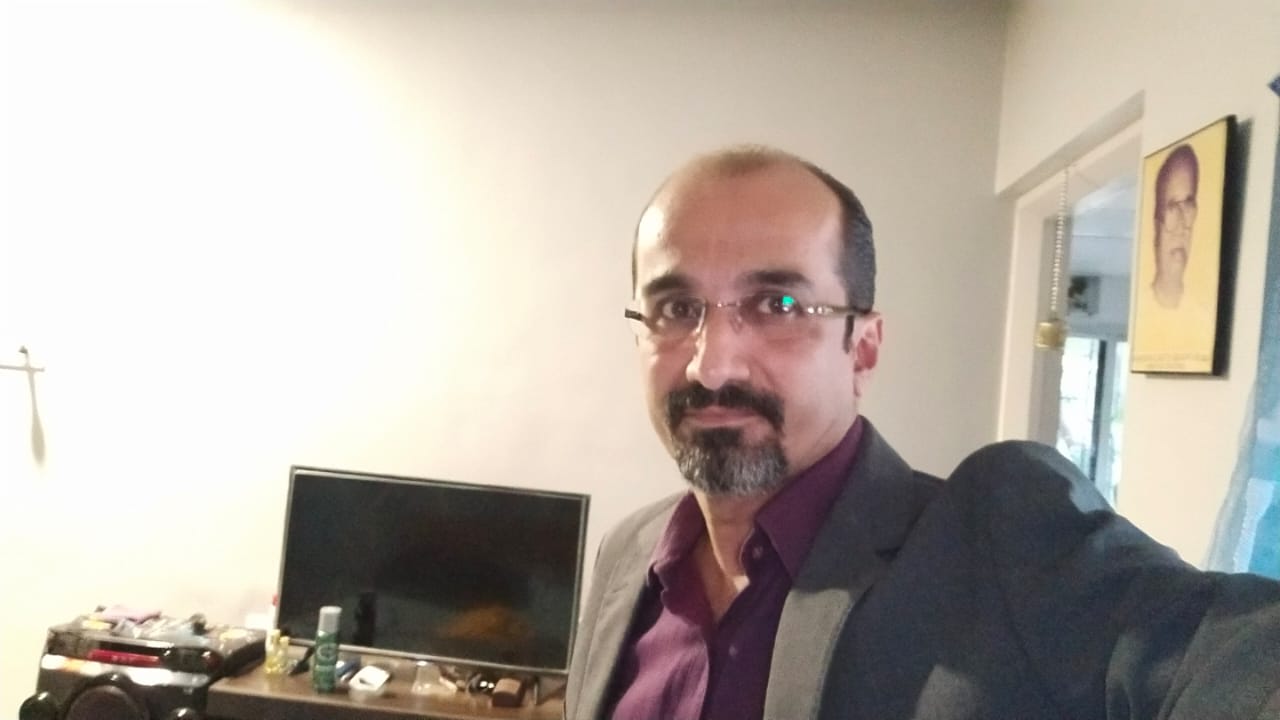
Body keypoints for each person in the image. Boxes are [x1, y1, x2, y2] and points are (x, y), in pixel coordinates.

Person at [564, 145, 1280, 720]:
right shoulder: (627, 553)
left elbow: (1232, 655)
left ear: (862, 350)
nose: (712, 363)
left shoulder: (1000, 540)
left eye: (778, 304)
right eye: (676, 308)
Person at [1151, 144, 1200, 309]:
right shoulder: (1144, 305)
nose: (1181, 227)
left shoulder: (1198, 309)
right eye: (1172, 208)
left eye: (1188, 206)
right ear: (1156, 227)